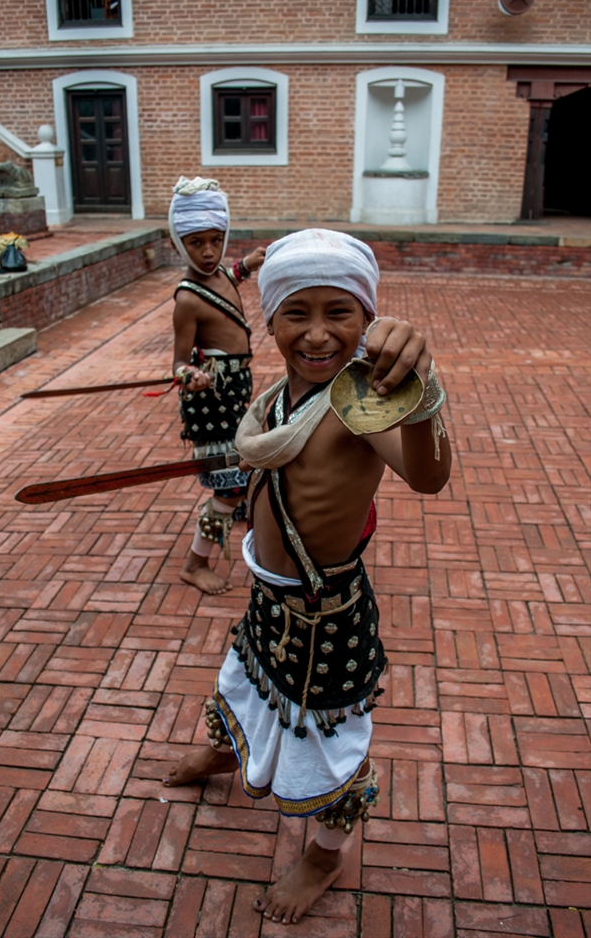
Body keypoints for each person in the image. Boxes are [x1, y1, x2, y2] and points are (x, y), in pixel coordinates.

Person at [165, 229, 451, 924]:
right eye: (297, 313)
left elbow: (428, 476)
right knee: (244, 681)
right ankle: (227, 753)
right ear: (269, 321)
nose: (318, 333)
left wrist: (423, 395)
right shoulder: (273, 406)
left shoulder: (362, 406)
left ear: (365, 319)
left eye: (339, 312)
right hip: (268, 597)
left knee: (329, 746)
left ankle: (325, 854)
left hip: (326, 620)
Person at [169, 176, 266, 594]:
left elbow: (229, 276)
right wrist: (188, 376)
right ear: (178, 243)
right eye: (196, 243)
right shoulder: (188, 299)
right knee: (228, 485)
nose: (208, 251)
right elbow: (177, 362)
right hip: (210, 403)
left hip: (234, 395)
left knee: (240, 463)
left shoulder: (222, 273)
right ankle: (196, 563)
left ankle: (236, 504)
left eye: (216, 240)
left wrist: (248, 265)